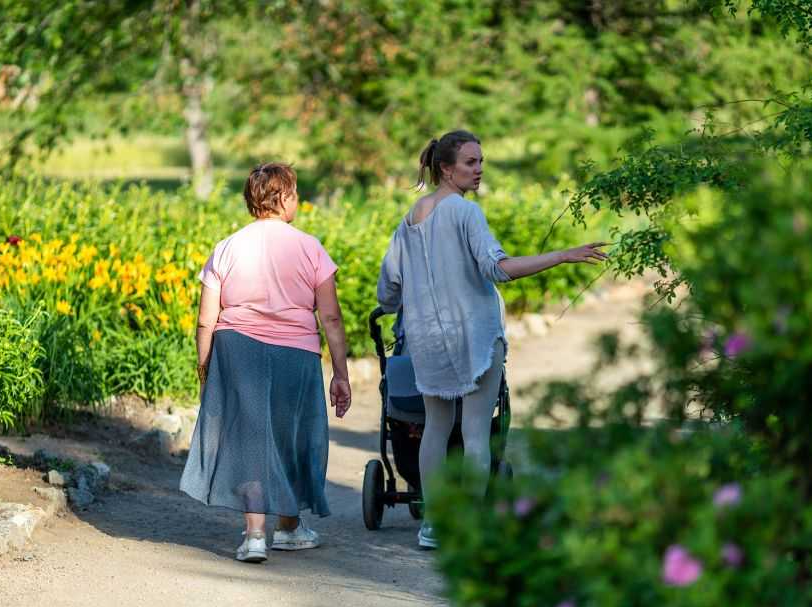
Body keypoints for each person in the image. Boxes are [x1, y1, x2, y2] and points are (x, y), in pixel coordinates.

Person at [376, 130, 607, 549]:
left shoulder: (409, 220)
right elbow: (499, 269)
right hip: (475, 335)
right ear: (446, 169)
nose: (479, 169)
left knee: (436, 427)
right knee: (477, 431)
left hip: (427, 339)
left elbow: (387, 291)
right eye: (470, 162)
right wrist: (562, 255)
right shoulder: (465, 213)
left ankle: (433, 524)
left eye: (481, 161)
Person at [180, 162, 351, 563]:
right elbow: (330, 316)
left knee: (250, 438)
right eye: (295, 193)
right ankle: (289, 528)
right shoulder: (310, 247)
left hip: (237, 347)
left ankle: (255, 536)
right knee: (291, 434)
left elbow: (207, 317)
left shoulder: (226, 247)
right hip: (297, 351)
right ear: (284, 198)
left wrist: (206, 366)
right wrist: (340, 373)